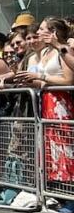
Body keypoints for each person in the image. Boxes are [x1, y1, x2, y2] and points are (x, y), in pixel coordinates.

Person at [13, 17, 74, 191]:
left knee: (64, 144)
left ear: (53, 31)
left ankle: (69, 189)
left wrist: (41, 77)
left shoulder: (64, 50)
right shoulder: (44, 52)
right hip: (45, 102)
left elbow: (68, 79)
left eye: (41, 29)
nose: (37, 33)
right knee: (50, 146)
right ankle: (57, 188)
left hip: (60, 104)